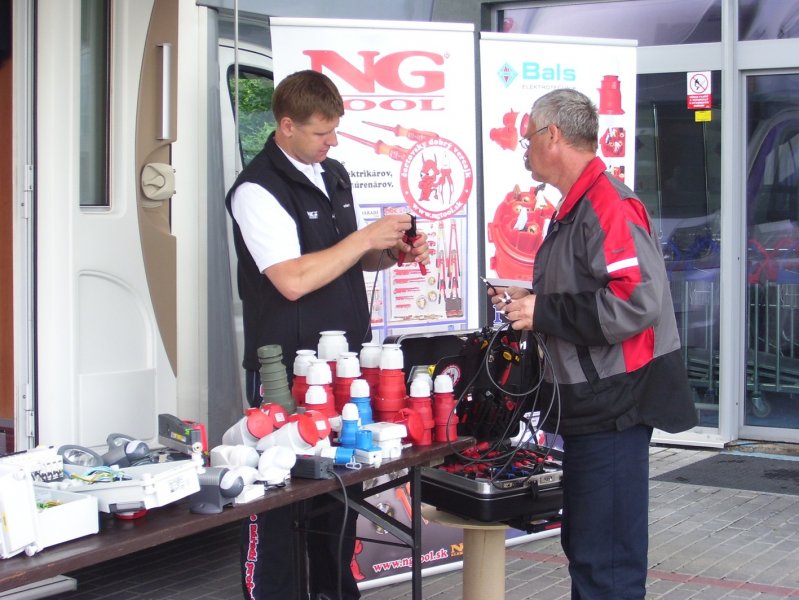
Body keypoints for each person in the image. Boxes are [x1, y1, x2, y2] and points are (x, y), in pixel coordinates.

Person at [225, 69, 429, 600]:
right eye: (322, 132)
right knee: (279, 499)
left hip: (344, 367)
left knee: (339, 499)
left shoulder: (333, 173)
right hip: (288, 375)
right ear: (286, 126)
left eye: (335, 130)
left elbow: (346, 261)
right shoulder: (256, 189)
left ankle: (335, 592)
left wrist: (390, 253)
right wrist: (364, 238)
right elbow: (292, 280)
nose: (332, 142)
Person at [489, 88, 697, 599]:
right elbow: (591, 290)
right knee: (590, 549)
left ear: (553, 135)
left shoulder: (607, 204)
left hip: (616, 405)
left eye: (527, 138)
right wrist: (531, 301)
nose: (524, 149)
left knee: (605, 561)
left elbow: (635, 300)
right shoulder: (579, 204)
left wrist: (544, 311)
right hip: (594, 404)